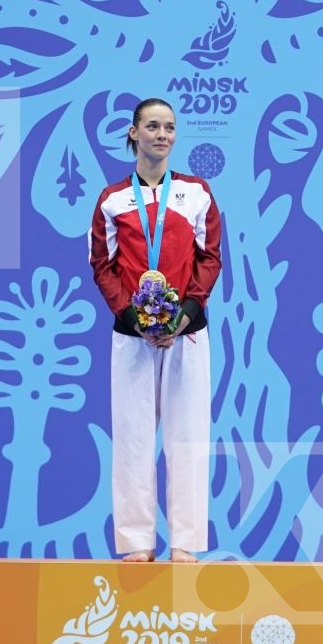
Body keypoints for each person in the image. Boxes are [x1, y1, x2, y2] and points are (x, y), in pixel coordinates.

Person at [88, 99, 222, 563]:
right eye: (152, 126)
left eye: (169, 127)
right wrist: (131, 316)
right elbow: (102, 265)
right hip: (131, 337)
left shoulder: (197, 193)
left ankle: (185, 541)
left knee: (187, 437)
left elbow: (210, 258)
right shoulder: (112, 200)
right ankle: (136, 543)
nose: (162, 134)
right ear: (134, 133)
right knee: (132, 438)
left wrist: (185, 312)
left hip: (186, 333)